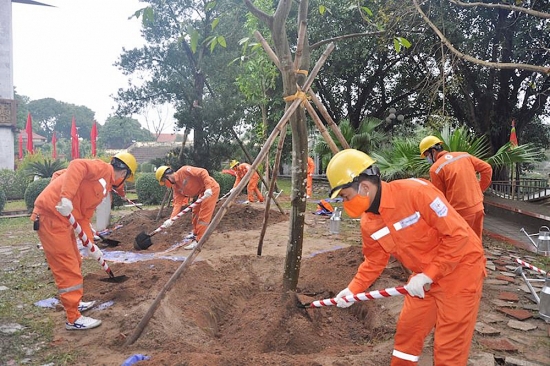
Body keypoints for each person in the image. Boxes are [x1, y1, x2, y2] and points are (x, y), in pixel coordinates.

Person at [326, 149, 486, 366]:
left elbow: (458, 237)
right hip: (424, 279)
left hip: (461, 271)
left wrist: (429, 274)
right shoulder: (369, 222)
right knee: (407, 335)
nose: (345, 204)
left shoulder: (415, 193)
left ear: (364, 187)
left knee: (449, 349)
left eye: (346, 196)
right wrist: (353, 289)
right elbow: (374, 260)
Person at [31, 152, 137, 331]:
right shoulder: (102, 169)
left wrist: (91, 244)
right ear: (123, 173)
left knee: (76, 260)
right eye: (126, 179)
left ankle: (76, 303)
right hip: (51, 217)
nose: (124, 183)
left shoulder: (103, 187)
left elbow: (84, 217)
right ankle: (73, 318)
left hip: (64, 220)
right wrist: (65, 197)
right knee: (68, 268)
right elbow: (76, 165)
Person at [419, 136, 493, 238]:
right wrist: (479, 189)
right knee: (475, 243)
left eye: (427, 155)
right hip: (478, 207)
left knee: (461, 246)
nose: (428, 159)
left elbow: (440, 197)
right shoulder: (464, 156)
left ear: (433, 151)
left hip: (460, 213)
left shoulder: (435, 169)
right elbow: (487, 168)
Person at [155, 165, 220, 250]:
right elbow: (177, 204)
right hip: (202, 192)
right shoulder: (176, 188)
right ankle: (195, 233)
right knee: (195, 211)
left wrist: (208, 188)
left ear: (167, 177)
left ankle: (199, 240)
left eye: (164, 181)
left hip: (211, 189)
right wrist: (171, 219)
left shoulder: (184, 171)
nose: (165, 184)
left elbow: (203, 171)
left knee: (204, 215)